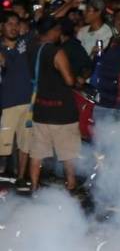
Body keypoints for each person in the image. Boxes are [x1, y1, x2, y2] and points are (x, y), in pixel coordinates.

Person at [27, 17, 79, 191]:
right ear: (54, 31)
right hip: (62, 112)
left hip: (41, 110)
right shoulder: (57, 52)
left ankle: (34, 187)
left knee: (37, 153)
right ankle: (71, 186)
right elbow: (69, 80)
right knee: (68, 153)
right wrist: (78, 77)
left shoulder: (32, 47)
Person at [0, 11, 33, 188]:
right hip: (6, 103)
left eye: (16, 23)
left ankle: (21, 177)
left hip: (28, 102)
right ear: (2, 26)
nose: (13, 27)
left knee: (25, 142)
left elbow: (43, 19)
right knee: (2, 142)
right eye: (9, 23)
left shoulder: (24, 42)